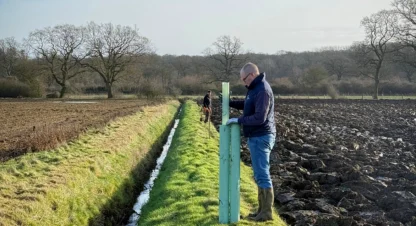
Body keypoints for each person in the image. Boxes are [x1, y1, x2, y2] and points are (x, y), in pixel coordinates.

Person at [226, 62, 276, 221]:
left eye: (244, 79)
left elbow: (260, 117)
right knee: (259, 174)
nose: (243, 82)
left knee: (262, 174)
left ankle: (266, 213)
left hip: (261, 136)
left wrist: (238, 120)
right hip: (256, 136)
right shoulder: (255, 88)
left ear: (252, 75)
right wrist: (230, 103)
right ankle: (261, 210)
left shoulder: (262, 90)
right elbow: (248, 105)